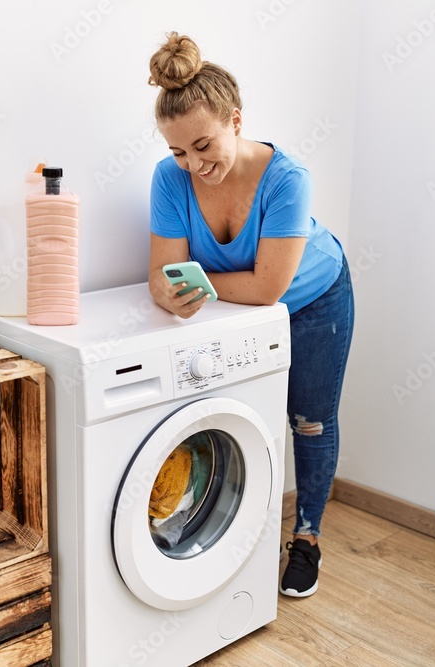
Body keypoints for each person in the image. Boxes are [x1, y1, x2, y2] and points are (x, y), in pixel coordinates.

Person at [146, 32, 354, 598]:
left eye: (203, 145)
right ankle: (236, 542)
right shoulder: (170, 180)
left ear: (236, 119)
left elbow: (267, 287)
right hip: (236, 311)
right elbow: (160, 276)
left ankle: (307, 539)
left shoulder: (289, 180)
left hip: (315, 298)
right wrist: (167, 293)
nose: (193, 165)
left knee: (308, 420)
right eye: (178, 152)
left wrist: (189, 285)